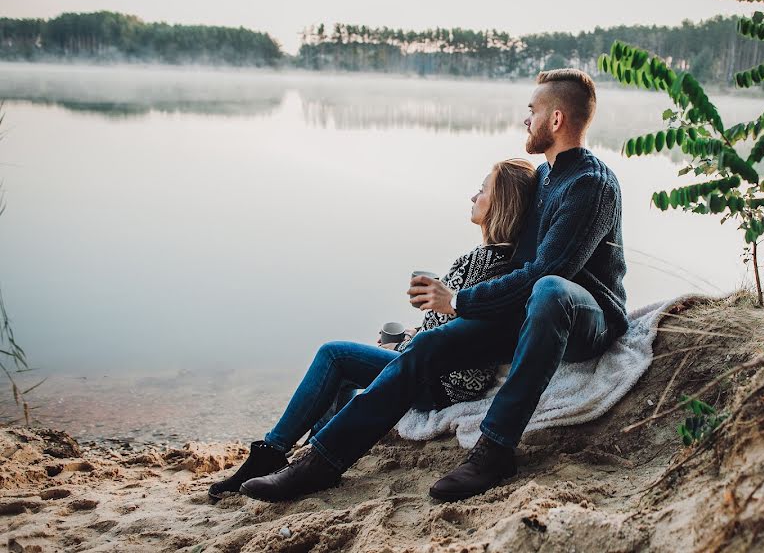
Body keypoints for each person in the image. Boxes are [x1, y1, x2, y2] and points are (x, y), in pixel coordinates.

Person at [234, 68, 628, 504]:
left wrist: (459, 300)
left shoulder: (591, 185)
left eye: (531, 111)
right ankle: (321, 462)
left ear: (555, 120)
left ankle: (495, 449)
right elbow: (516, 257)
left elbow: (546, 272)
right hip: (529, 314)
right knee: (426, 347)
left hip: (587, 318)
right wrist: (457, 311)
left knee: (551, 289)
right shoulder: (546, 178)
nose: (525, 120)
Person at [208, 158, 537, 500]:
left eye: (483, 189)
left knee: (334, 356)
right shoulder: (506, 263)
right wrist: (413, 334)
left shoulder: (485, 262)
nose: (473, 196)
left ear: (501, 204)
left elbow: (452, 333)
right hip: (441, 373)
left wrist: (409, 338)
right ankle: (307, 448)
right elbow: (454, 329)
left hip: (441, 382)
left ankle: (275, 452)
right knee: (345, 367)